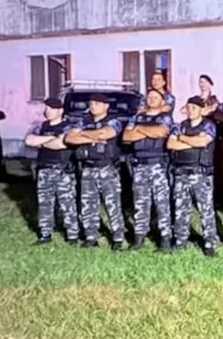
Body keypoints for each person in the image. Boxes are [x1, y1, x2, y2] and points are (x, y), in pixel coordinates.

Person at [64, 93, 127, 250]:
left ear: (106, 106)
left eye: (97, 103)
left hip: (107, 168)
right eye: (91, 103)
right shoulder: (83, 121)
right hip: (88, 168)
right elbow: (69, 138)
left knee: (112, 205)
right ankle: (91, 237)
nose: (93, 106)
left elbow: (105, 134)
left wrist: (84, 134)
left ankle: (118, 238)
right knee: (88, 205)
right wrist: (92, 137)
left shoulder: (114, 121)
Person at [122, 89, 175, 251]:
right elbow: (126, 137)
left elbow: (161, 132)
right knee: (140, 202)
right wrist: (146, 132)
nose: (151, 99)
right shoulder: (136, 118)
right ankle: (139, 238)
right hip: (139, 165)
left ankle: (165, 239)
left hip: (158, 164)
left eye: (156, 97)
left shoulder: (165, 118)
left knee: (162, 203)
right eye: (149, 97)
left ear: (162, 102)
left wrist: (139, 130)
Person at [167, 96, 219, 256]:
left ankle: (210, 243)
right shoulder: (180, 126)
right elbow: (170, 144)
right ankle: (180, 241)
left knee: (206, 210)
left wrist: (182, 140)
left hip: (200, 174)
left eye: (194, 108)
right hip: (181, 173)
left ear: (202, 110)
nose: (190, 110)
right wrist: (191, 141)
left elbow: (203, 142)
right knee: (181, 210)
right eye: (188, 107)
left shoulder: (209, 125)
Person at [24, 97, 79, 245]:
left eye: (51, 108)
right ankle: (45, 234)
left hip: (63, 170)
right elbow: (29, 140)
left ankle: (72, 235)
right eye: (46, 107)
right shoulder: (41, 126)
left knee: (67, 204)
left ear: (60, 111)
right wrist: (50, 139)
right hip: (44, 170)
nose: (47, 111)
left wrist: (41, 142)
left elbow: (61, 144)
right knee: (45, 204)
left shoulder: (69, 127)